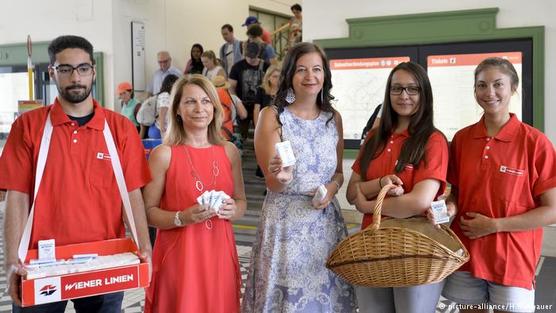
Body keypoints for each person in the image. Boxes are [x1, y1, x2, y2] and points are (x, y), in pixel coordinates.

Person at [0, 35, 152, 312]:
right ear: (52, 72)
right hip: (38, 262)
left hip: (106, 260)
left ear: (93, 71)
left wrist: (146, 249)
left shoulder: (120, 130)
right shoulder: (28, 127)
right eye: (65, 69)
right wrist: (12, 260)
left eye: (82, 68)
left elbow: (133, 196)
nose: (75, 77)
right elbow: (16, 197)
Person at [242, 42, 356, 312]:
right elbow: (273, 183)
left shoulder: (333, 118)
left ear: (325, 75)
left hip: (326, 223)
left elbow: (339, 172)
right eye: (302, 70)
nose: (310, 76)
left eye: (317, 69)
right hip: (285, 223)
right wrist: (281, 177)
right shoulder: (273, 116)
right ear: (290, 75)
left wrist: (332, 187)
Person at [441, 57, 556, 313]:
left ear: (513, 88)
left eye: (498, 84)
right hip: (467, 252)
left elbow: (552, 209)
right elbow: (457, 193)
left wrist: (495, 226)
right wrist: (449, 207)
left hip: (513, 257)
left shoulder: (535, 143)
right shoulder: (462, 139)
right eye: (481, 85)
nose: (489, 92)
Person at [346, 62, 449, 313]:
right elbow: (351, 192)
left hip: (415, 251)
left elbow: (418, 202)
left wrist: (368, 204)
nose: (404, 96)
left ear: (424, 94)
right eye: (397, 89)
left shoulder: (433, 140)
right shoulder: (374, 137)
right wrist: (380, 183)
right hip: (372, 246)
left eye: (412, 89)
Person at [143, 75, 246, 313]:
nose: (200, 108)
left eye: (206, 101)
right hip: (180, 257)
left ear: (214, 107)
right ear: (177, 109)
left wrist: (233, 209)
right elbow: (148, 212)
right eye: (190, 102)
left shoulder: (229, 151)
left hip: (219, 253)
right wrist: (181, 217)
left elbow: (241, 202)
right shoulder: (164, 154)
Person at [229, 41, 270, 141]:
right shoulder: (237, 67)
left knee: (262, 135)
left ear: (258, 54)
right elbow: (231, 87)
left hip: (261, 106)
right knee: (241, 135)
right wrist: (237, 102)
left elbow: (272, 84)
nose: (250, 59)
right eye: (248, 56)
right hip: (243, 105)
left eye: (253, 57)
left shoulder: (266, 66)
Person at [150, 74, 179, 139]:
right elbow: (162, 113)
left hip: (165, 129)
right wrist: (163, 131)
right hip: (161, 130)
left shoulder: (167, 95)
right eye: (176, 83)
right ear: (171, 84)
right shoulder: (165, 95)